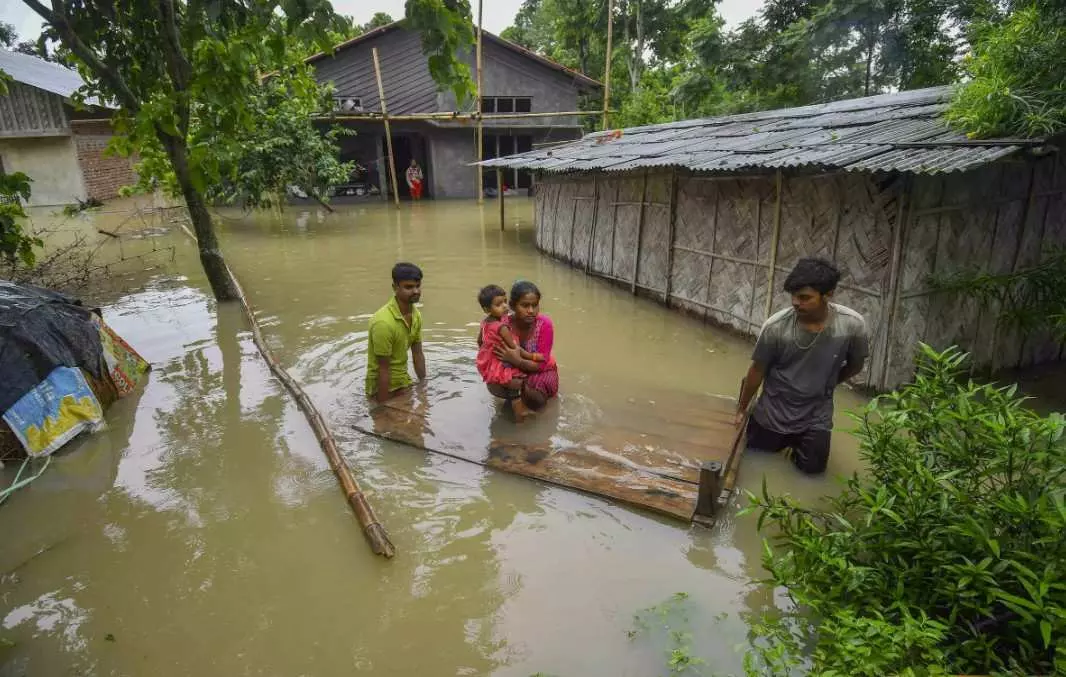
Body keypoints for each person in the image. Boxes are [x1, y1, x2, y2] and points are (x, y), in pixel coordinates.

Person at [735, 258, 868, 474]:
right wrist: (741, 409)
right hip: (773, 411)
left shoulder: (851, 325)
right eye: (794, 296)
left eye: (805, 297)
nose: (796, 303)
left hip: (817, 415)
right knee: (754, 463)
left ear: (828, 294)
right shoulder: (776, 327)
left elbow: (855, 365)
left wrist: (828, 383)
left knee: (812, 475)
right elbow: (757, 371)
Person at [476, 284, 548, 419]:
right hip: (503, 362)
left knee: (511, 388)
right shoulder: (502, 327)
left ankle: (513, 409)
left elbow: (480, 341)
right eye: (498, 304)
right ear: (487, 309)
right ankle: (519, 413)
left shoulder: (485, 322)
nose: (504, 306)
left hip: (490, 362)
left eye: (504, 301)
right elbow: (514, 347)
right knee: (515, 386)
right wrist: (531, 356)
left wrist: (488, 355)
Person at [493, 281, 559, 410]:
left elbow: (540, 365)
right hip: (513, 369)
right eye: (525, 305)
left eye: (535, 305)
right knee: (495, 382)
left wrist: (516, 360)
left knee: (536, 399)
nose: (531, 311)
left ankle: (524, 394)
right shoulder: (502, 324)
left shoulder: (545, 324)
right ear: (512, 306)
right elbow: (490, 350)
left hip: (542, 370)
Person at [366, 262, 426, 402]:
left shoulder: (416, 315)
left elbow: (418, 354)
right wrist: (382, 407)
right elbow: (383, 369)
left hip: (403, 382)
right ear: (395, 287)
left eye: (418, 286)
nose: (416, 291)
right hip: (381, 389)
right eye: (409, 287)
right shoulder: (383, 322)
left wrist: (423, 387)